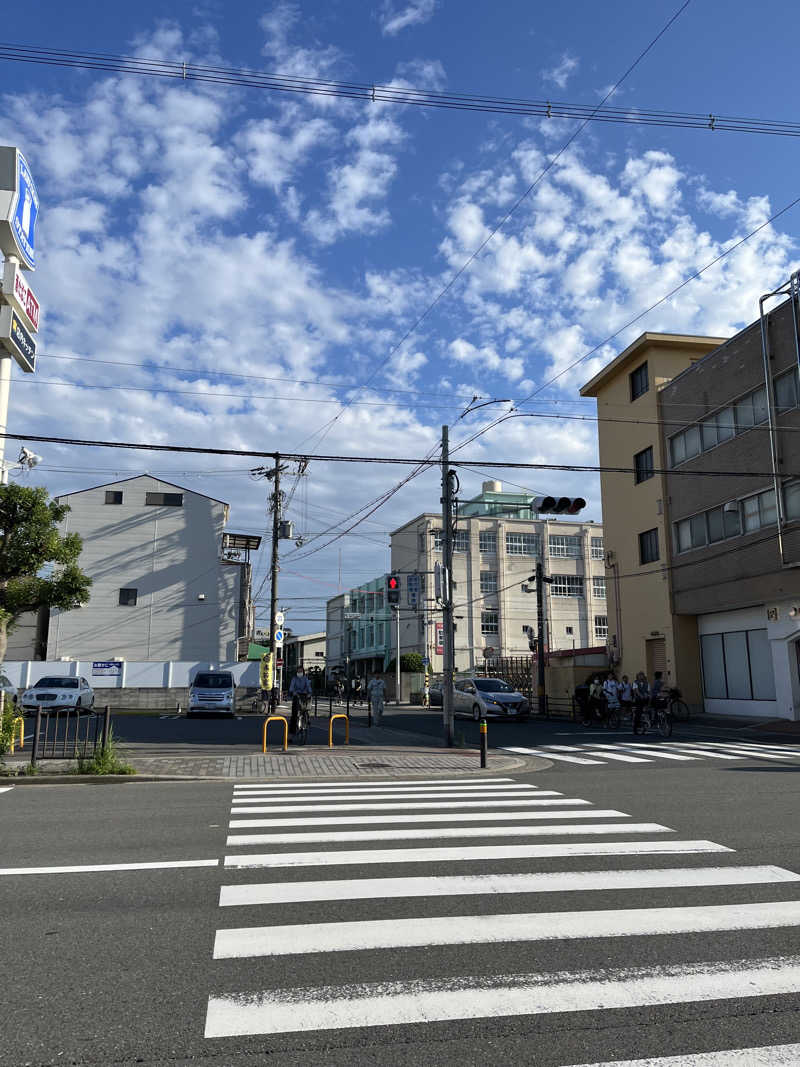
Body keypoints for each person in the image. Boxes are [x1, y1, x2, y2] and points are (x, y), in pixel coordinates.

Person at [288, 666, 312, 734]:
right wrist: (293, 692)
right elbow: (291, 688)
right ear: (296, 672)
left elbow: (308, 686)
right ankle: (291, 735)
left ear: (303, 672)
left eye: (301, 671)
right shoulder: (294, 679)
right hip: (296, 696)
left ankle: (307, 719)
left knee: (307, 707)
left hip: (304, 696)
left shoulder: (305, 679)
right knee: (294, 715)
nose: (299, 673)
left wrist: (310, 692)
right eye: (298, 671)